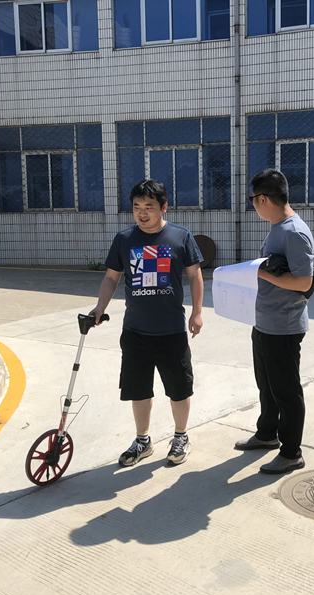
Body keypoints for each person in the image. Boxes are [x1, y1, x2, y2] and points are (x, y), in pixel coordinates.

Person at [91, 179, 204, 467]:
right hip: (135, 331)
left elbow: (195, 275)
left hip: (171, 330)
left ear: (164, 207)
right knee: (138, 390)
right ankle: (143, 441)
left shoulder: (181, 236)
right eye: (137, 207)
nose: (142, 213)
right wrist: (100, 307)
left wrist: (197, 312)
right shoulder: (124, 239)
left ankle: (181, 436)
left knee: (179, 389)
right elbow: (111, 277)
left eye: (149, 207)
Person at [235, 169, 314, 474]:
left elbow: (304, 282)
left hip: (284, 325)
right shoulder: (278, 228)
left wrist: (261, 273)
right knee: (267, 387)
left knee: (286, 391)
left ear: (263, 199)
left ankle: (291, 452)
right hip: (265, 321)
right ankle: (267, 433)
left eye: (252, 200)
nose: (253, 205)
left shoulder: (294, 232)